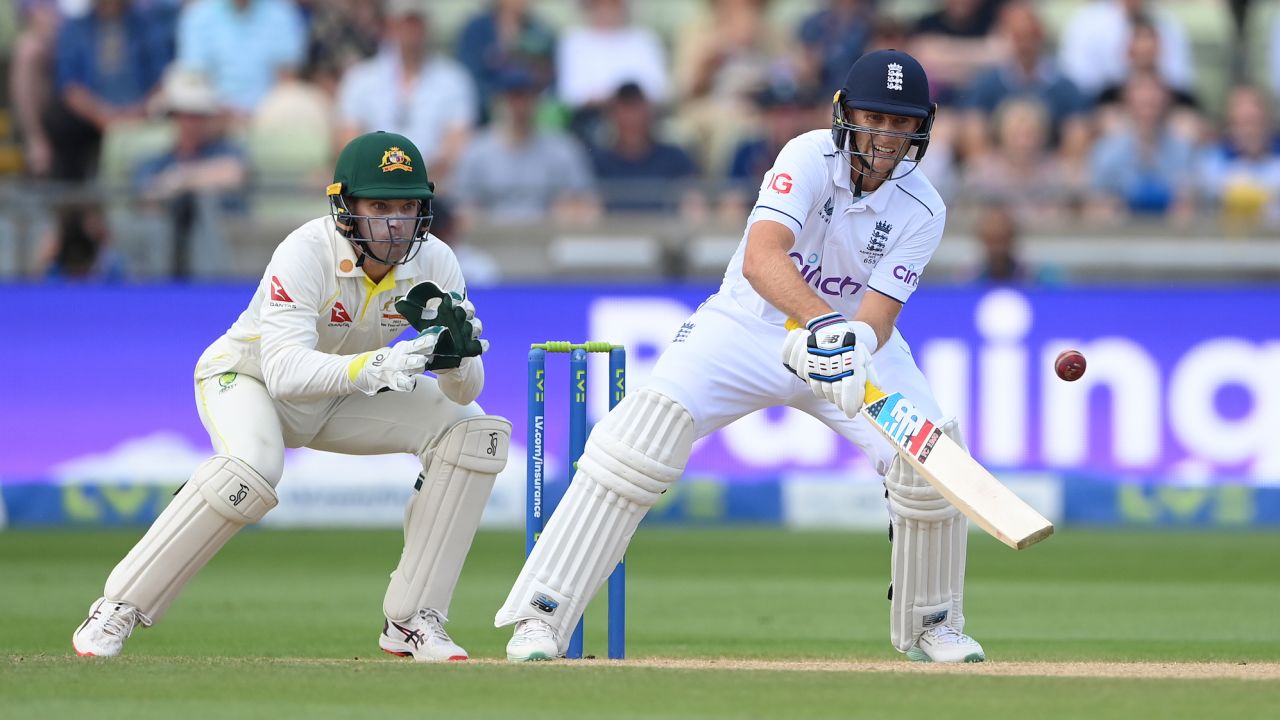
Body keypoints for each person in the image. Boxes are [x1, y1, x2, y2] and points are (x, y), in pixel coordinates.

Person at [496, 50, 987, 664]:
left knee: (930, 454)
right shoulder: (807, 155)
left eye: (901, 123)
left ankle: (932, 625)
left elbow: (880, 315)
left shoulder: (925, 206)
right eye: (874, 118)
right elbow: (761, 260)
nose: (886, 135)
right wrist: (825, 326)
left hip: (847, 344)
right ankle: (541, 617)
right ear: (845, 114)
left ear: (922, 127)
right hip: (745, 327)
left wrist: (851, 345)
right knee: (638, 439)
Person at [72, 131, 510, 662]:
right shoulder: (306, 251)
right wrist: (377, 364)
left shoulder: (436, 261)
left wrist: (458, 358)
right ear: (345, 208)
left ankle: (414, 618)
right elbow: (281, 371)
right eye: (378, 206)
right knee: (253, 467)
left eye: (407, 206)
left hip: (342, 394)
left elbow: (465, 391)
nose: (395, 223)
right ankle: (117, 607)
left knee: (474, 434)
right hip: (247, 379)